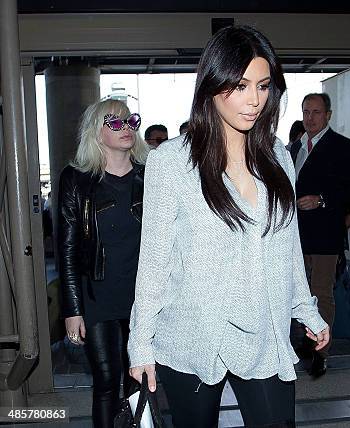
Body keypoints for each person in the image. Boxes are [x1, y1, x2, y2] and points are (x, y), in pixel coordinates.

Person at [127, 25, 329, 427]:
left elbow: (288, 246)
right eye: (240, 86)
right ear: (212, 85)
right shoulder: (172, 162)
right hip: (191, 334)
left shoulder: (276, 154)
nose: (254, 101)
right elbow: (154, 262)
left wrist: (307, 309)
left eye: (263, 86)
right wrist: (140, 343)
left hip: (265, 330)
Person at [58, 99, 148, 428]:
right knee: (107, 383)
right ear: (96, 133)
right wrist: (72, 309)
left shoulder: (150, 175)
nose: (125, 127)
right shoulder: (77, 180)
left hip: (145, 297)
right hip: (97, 297)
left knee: (141, 381)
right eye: (114, 122)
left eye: (130, 121)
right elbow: (67, 248)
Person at [289, 93, 350, 377]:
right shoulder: (293, 148)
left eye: (316, 112)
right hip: (293, 235)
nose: (310, 117)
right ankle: (304, 341)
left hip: (324, 233)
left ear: (328, 115)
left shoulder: (342, 147)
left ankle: (320, 351)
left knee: (321, 292)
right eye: (306, 111)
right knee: (296, 292)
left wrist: (322, 199)